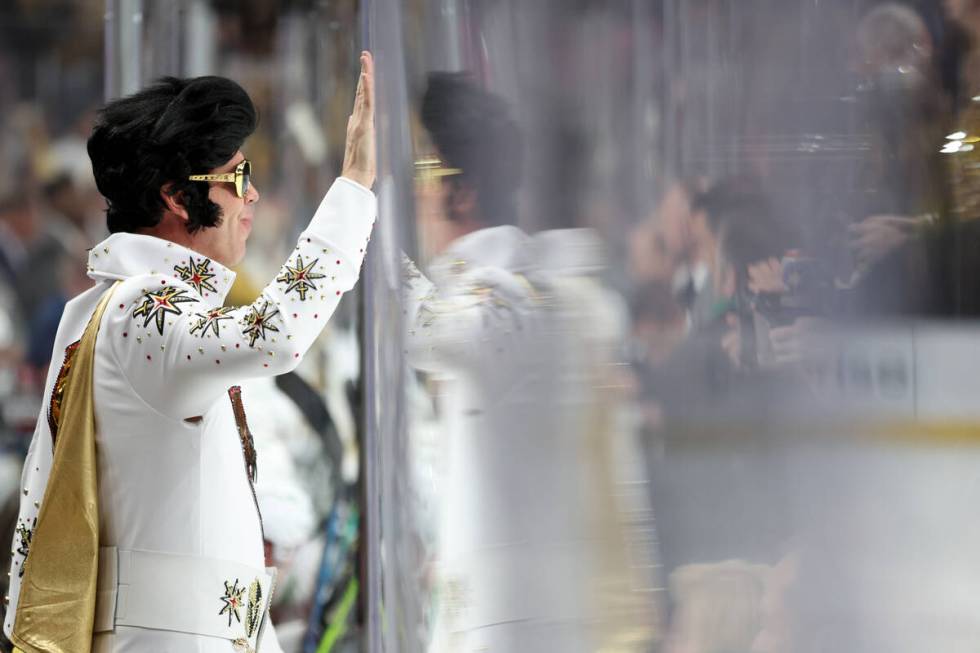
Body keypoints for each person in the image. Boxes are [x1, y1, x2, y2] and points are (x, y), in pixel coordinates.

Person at [3, 52, 376, 653]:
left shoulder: (124, 308)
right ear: (178, 198)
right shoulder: (138, 312)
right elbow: (276, 332)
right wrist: (354, 191)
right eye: (236, 177)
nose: (251, 195)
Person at [405, 72, 661, 653]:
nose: (416, 194)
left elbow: (419, 330)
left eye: (423, 173)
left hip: (519, 623)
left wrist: (360, 211)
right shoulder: (523, 288)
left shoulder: (516, 294)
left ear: (463, 192)